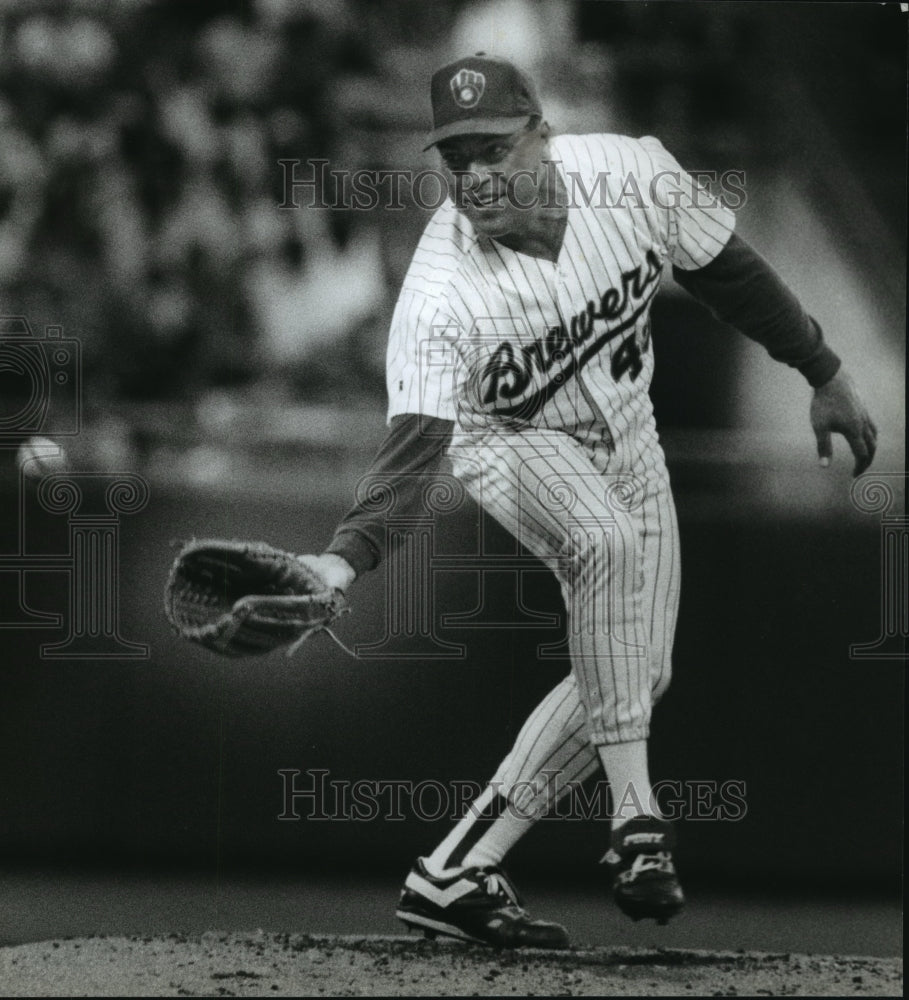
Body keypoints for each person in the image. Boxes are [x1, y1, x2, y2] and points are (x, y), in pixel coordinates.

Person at [299, 54, 878, 949]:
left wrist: (823, 369)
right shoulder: (440, 293)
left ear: (542, 134)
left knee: (635, 674)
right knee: (601, 544)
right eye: (456, 160)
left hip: (630, 435)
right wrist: (343, 559)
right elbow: (411, 452)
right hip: (511, 443)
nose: (476, 176)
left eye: (493, 148)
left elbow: (726, 269)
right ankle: (637, 821)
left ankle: (453, 872)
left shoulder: (629, 175)